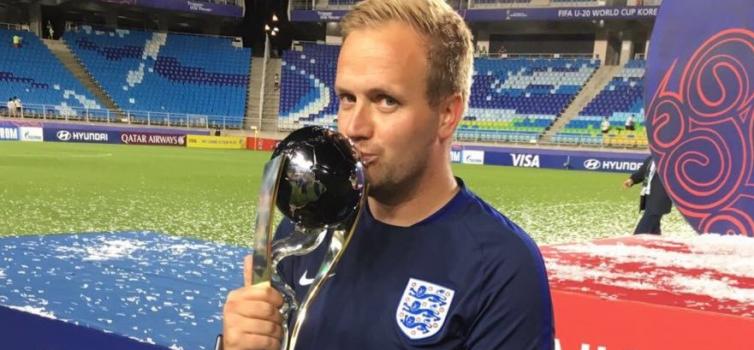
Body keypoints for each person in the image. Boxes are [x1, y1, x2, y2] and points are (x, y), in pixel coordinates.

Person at [221, 1, 554, 349]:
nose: (353, 126)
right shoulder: (307, 227)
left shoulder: (503, 268)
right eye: (347, 98)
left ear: (447, 114)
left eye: (385, 101)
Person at [623, 156, 672, 234]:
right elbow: (642, 171)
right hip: (649, 195)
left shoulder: (671, 159)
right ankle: (656, 242)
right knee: (654, 226)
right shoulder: (652, 157)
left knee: (644, 227)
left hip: (661, 198)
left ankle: (636, 243)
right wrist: (632, 180)